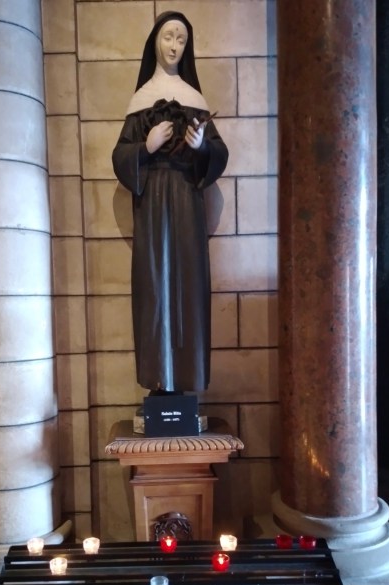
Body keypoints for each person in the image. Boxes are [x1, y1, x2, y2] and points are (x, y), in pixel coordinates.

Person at [112, 11, 228, 393]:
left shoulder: (194, 99)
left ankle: (187, 375)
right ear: (155, 43)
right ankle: (158, 378)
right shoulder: (141, 99)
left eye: (181, 39)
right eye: (168, 37)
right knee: (154, 283)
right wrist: (145, 147)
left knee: (188, 284)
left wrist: (201, 147)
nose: (174, 45)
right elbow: (120, 156)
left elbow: (219, 153)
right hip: (152, 206)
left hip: (187, 202)